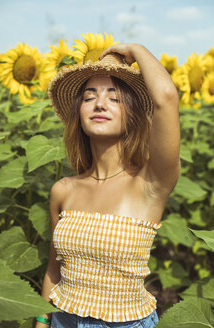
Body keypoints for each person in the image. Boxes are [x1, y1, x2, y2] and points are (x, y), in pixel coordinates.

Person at [35, 42, 181, 328]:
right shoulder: (63, 190)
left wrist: (135, 49)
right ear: (78, 112)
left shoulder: (150, 184)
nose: (100, 104)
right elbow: (54, 270)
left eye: (115, 98)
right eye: (89, 97)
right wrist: (41, 322)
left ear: (133, 115)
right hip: (62, 321)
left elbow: (166, 96)